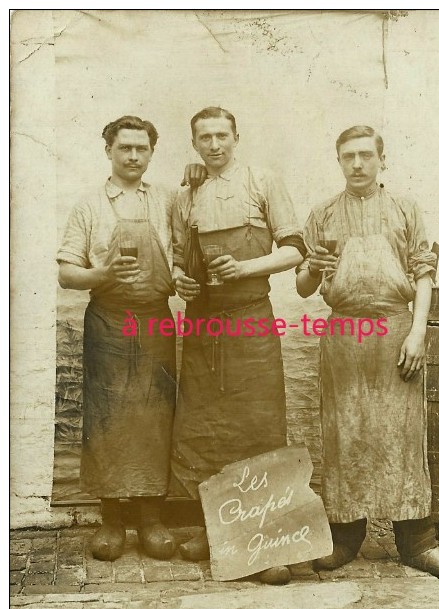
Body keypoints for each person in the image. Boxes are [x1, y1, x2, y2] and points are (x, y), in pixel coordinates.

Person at [296, 125, 439, 578]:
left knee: (403, 436)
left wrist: (418, 333)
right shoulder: (323, 214)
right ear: (339, 161)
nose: (357, 164)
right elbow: (304, 287)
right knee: (345, 434)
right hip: (345, 335)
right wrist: (311, 267)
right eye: (348, 156)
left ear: (381, 160)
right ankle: (345, 538)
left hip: (395, 330)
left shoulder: (405, 210)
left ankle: (416, 542)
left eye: (366, 155)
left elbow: (424, 274)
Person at [57, 115, 203, 562]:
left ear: (151, 153)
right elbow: (66, 273)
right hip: (108, 321)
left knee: (156, 416)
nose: (134, 156)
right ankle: (112, 521)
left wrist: (180, 280)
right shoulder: (89, 205)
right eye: (125, 148)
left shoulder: (166, 201)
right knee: (107, 419)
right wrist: (101, 274)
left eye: (142, 149)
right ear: (109, 151)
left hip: (155, 320)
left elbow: (179, 256)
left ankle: (151, 519)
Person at [171, 106, 306, 584]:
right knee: (207, 428)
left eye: (222, 135)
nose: (214, 145)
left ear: (236, 137)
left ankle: (268, 543)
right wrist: (181, 283)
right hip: (204, 324)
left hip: (250, 318)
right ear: (194, 144)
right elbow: (177, 260)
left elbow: (295, 249)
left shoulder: (262, 181)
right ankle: (218, 531)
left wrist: (245, 269)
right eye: (204, 137)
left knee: (259, 426)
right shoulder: (185, 194)